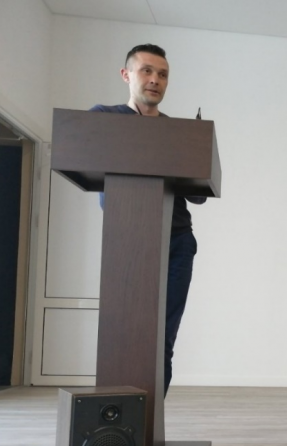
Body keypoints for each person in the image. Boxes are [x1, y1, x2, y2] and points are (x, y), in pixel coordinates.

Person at [93, 44, 206, 395]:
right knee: (124, 335)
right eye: (147, 70)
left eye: (163, 74)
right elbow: (85, 157)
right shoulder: (103, 118)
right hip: (127, 240)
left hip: (176, 243)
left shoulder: (177, 132)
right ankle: (120, 419)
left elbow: (198, 195)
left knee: (162, 338)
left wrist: (193, 153)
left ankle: (151, 419)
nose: (155, 79)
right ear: (126, 75)